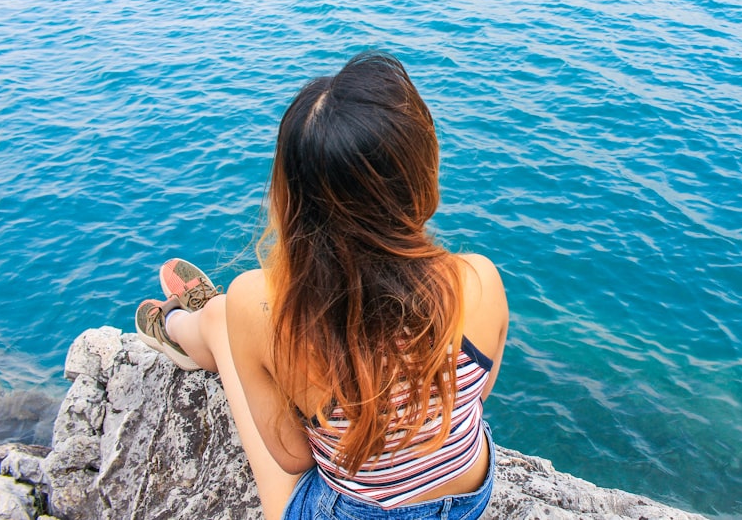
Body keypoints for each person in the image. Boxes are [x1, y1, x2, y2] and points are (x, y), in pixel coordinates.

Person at [134, 51, 509, 520]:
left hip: (347, 511)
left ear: (293, 197)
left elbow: (293, 457)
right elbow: (477, 393)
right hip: (466, 500)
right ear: (423, 173)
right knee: (242, 317)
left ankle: (180, 327)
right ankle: (193, 325)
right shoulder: (478, 280)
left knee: (229, 318)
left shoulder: (262, 303)